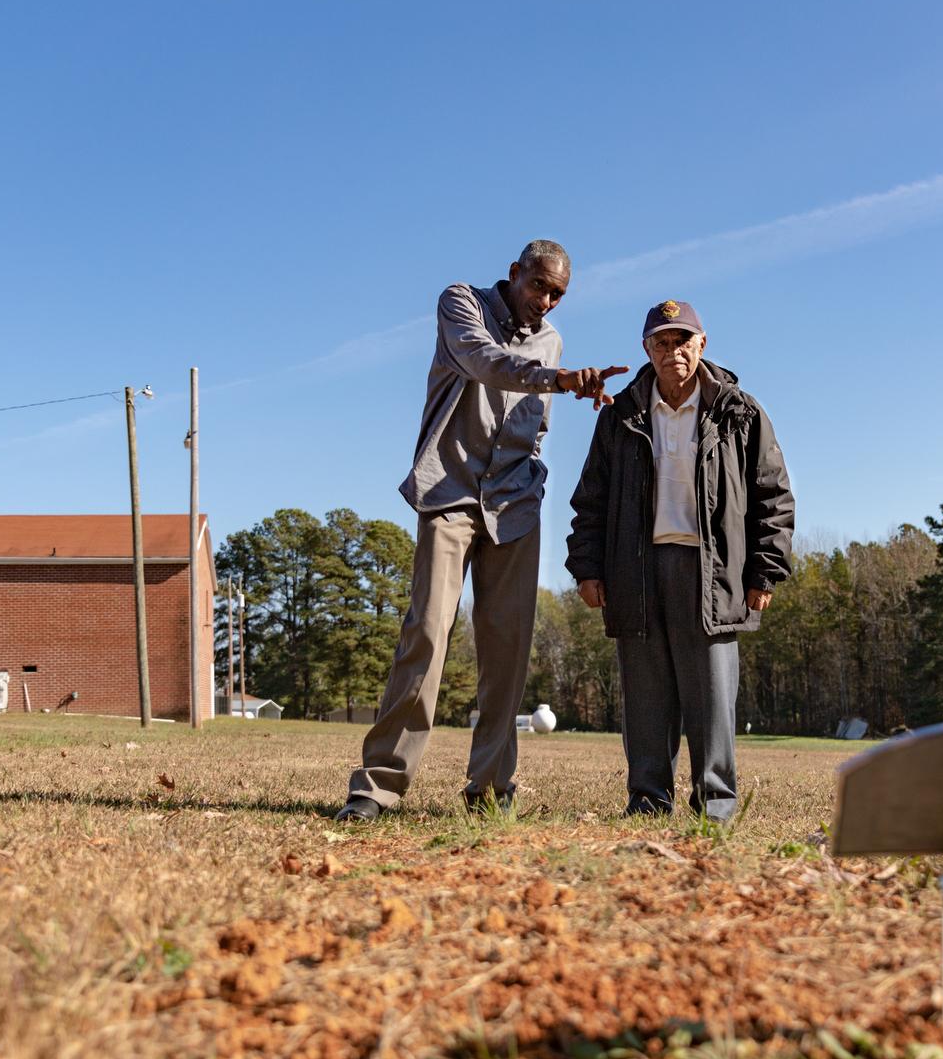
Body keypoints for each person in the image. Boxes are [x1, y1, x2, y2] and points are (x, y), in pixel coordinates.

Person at [336, 241, 627, 822]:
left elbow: (534, 424)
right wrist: (560, 378)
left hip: (515, 503)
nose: (545, 301)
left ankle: (491, 789)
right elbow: (483, 361)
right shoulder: (460, 303)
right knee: (428, 631)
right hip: (450, 493)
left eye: (558, 294)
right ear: (514, 273)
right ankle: (377, 786)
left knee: (508, 646)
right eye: (538, 286)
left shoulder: (552, 341)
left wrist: (536, 464)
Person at [566, 300, 794, 819]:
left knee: (712, 695)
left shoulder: (740, 411)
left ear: (703, 344)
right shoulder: (621, 414)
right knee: (646, 696)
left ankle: (717, 802)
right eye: (662, 343)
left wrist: (765, 570)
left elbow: (773, 497)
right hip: (635, 567)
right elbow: (591, 499)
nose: (673, 352)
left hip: (713, 570)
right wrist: (588, 567)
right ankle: (647, 800)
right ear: (646, 349)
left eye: (683, 341)